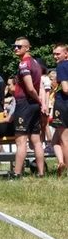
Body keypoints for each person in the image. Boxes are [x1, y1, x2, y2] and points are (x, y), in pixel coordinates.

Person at [9, 38, 45, 178]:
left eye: (19, 46)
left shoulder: (24, 64)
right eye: (14, 46)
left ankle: (16, 174)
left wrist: (38, 100)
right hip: (33, 104)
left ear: (27, 48)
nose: (15, 49)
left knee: (21, 140)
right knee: (36, 139)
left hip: (25, 103)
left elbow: (30, 88)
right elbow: (39, 85)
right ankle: (41, 173)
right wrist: (39, 102)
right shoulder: (36, 63)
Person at [51, 43, 68, 177]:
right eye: (54, 54)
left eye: (58, 54)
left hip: (62, 104)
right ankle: (61, 162)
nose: (55, 56)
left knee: (64, 140)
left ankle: (66, 168)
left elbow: (66, 88)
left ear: (66, 54)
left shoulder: (62, 66)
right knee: (55, 140)